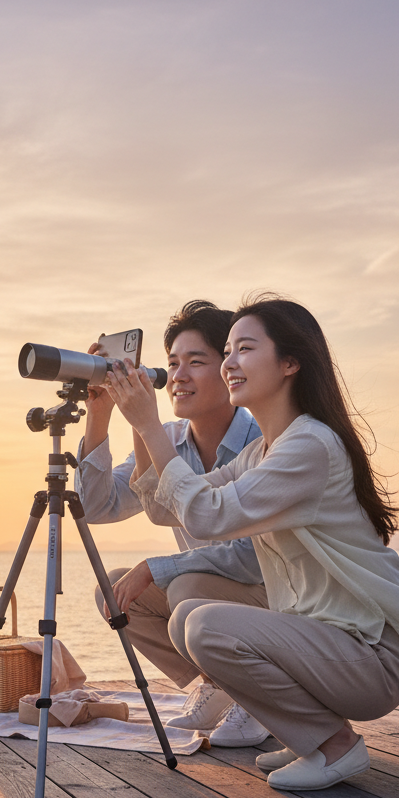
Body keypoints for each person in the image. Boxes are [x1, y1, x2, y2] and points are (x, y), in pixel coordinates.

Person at [104, 294, 399, 791]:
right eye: (227, 351)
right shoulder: (263, 451)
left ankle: (336, 747)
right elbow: (168, 508)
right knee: (188, 617)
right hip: (325, 646)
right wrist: (141, 427)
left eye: (244, 348)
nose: (230, 363)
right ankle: (307, 737)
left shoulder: (310, 446)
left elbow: (207, 516)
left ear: (290, 363)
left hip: (367, 657)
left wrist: (146, 421)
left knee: (203, 621)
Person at [74, 301, 271, 745]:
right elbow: (97, 505)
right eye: (171, 364)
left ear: (230, 368)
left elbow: (252, 557)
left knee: (184, 587)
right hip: (208, 601)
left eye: (196, 362)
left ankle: (259, 695)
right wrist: (101, 411)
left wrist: (157, 568)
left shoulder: (262, 440)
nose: (178, 376)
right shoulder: (169, 439)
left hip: (275, 596)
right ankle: (219, 685)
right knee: (117, 591)